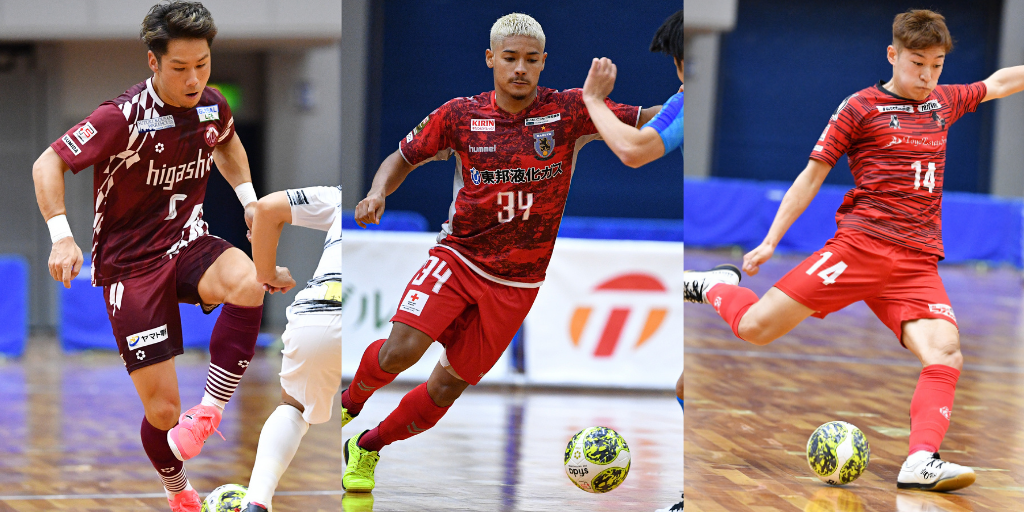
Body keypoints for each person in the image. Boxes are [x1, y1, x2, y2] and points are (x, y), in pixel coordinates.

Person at [684, 9, 1024, 492]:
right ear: (892, 55)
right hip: (860, 249)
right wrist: (771, 241)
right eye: (917, 64)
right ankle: (713, 287)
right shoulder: (860, 107)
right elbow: (811, 177)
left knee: (946, 353)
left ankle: (921, 460)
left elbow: (998, 83)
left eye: (937, 65)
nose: (927, 76)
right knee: (757, 328)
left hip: (916, 263)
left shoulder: (943, 102)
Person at [340, 12, 659, 492]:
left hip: (518, 283)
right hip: (459, 257)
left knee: (445, 387)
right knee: (401, 350)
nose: (520, 68)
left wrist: (683, 98)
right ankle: (349, 403)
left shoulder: (571, 110)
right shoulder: (459, 115)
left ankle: (367, 447)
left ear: (544, 62)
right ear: (491, 58)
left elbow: (648, 119)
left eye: (531, 59)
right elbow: (401, 157)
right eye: (510, 58)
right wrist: (376, 191)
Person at [31, 3, 266, 510]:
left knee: (250, 281)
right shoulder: (121, 117)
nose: (194, 79)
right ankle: (178, 492)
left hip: (187, 243)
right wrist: (61, 236)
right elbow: (47, 162)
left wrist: (249, 200)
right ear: (154, 63)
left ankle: (209, 412)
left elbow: (226, 142)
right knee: (162, 413)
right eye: (180, 68)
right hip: (130, 267)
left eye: (202, 64)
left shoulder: (213, 105)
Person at [582, 10, 684, 511]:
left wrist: (593, 101)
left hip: (712, 254)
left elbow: (632, 150)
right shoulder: (682, 101)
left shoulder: (689, 97)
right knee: (690, 383)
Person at [239, 186, 341, 512]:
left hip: (320, 309)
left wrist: (266, 273)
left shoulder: (341, 197)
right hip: (383, 319)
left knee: (294, 408)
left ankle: (257, 500)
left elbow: (265, 208)